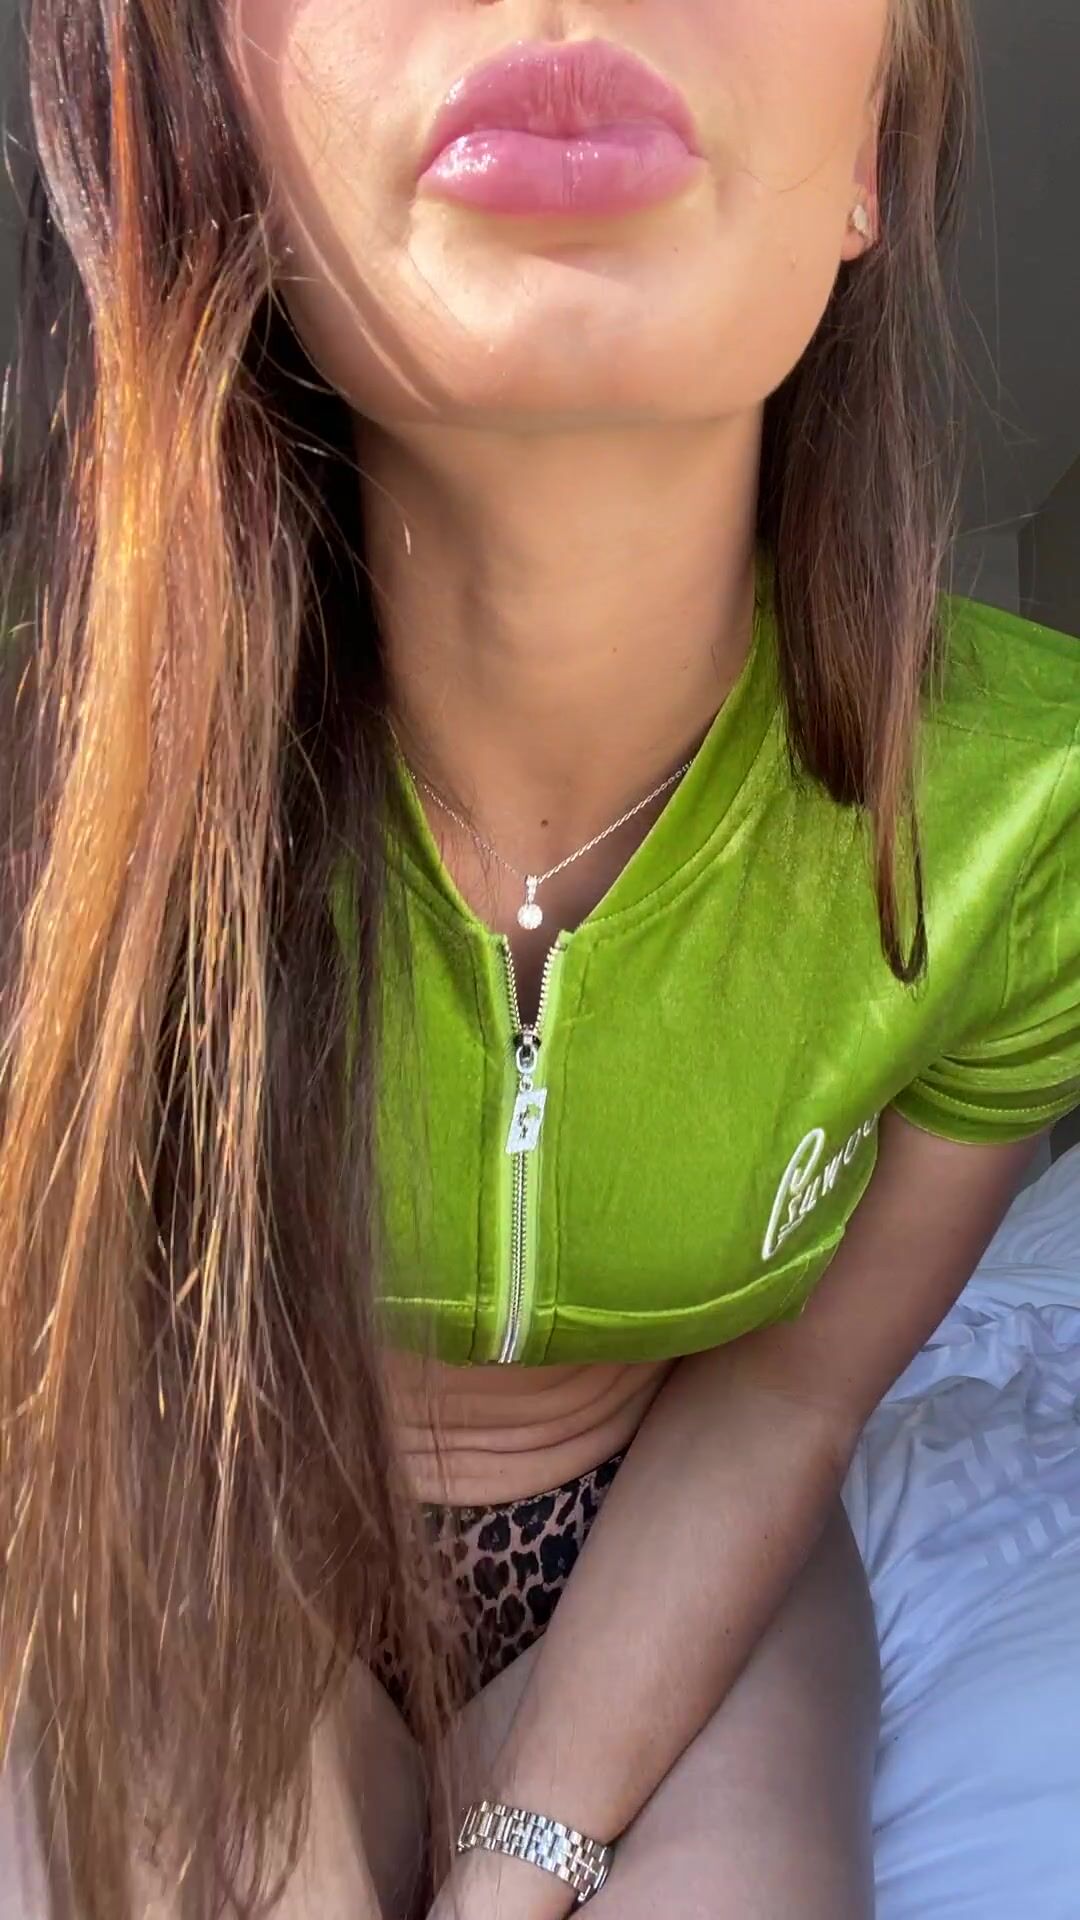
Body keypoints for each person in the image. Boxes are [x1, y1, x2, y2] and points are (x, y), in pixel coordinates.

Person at [1, 1, 1078, 1916]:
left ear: (866, 161)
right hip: (213, 1512)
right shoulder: (47, 768)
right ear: (219, 147)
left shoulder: (1034, 814)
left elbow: (788, 1399)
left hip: (661, 1535)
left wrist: (521, 1857)